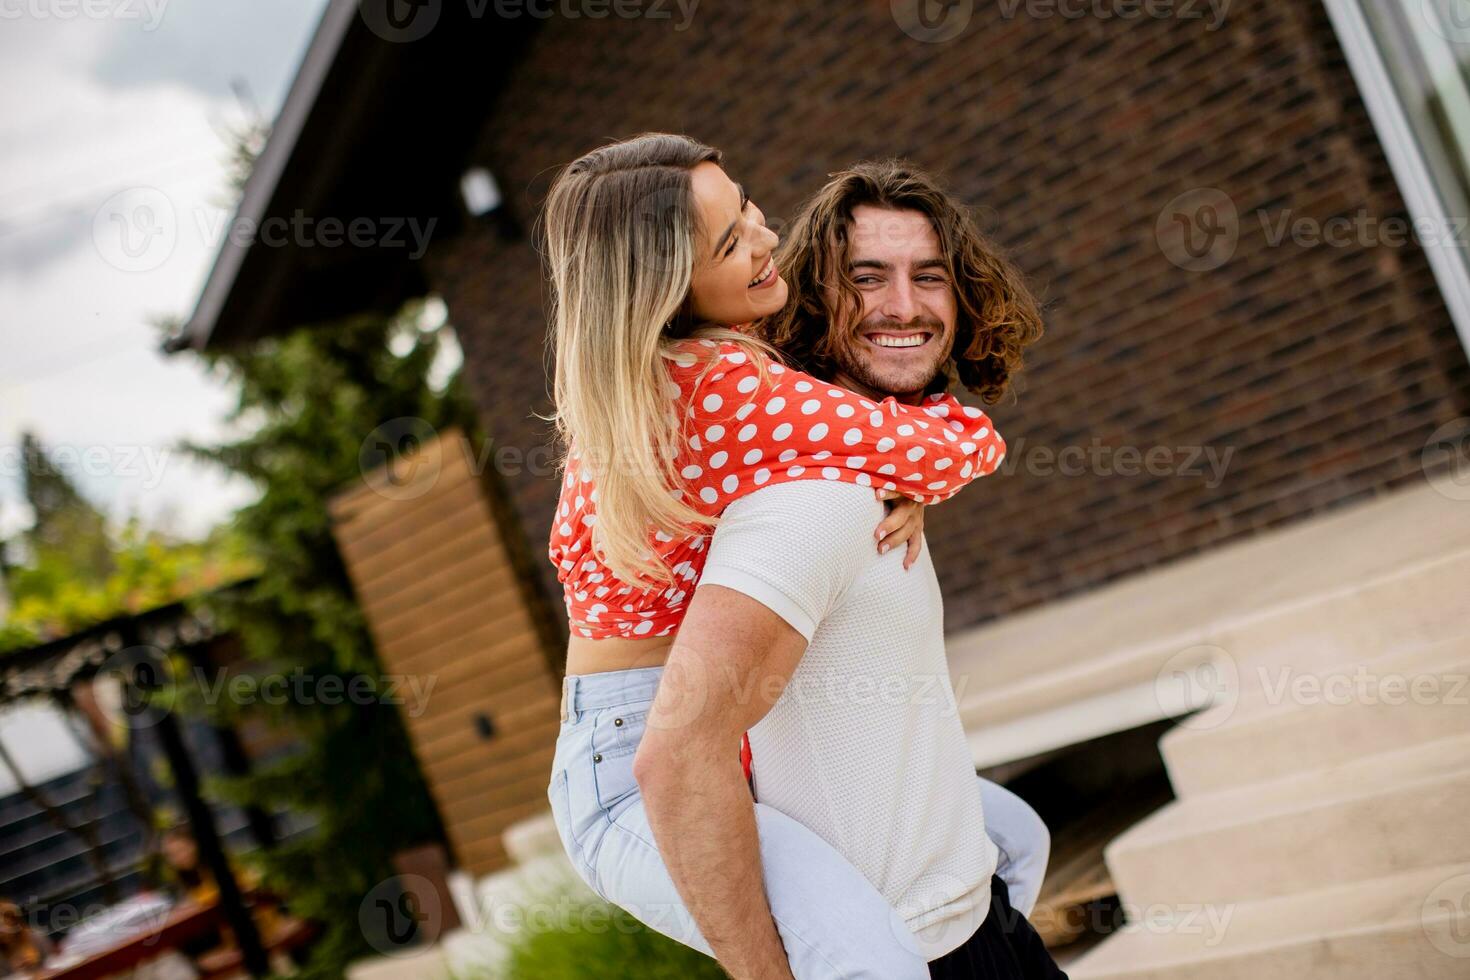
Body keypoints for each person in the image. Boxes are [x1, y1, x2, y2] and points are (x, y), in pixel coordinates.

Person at [543, 134, 1057, 978]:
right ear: (666, 289)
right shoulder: (719, 387)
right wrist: (900, 467)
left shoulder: (664, 375)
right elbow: (951, 446)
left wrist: (879, 468)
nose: (764, 238)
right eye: (730, 242)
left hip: (664, 726)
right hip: (637, 778)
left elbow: (832, 426)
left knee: (1008, 840)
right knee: (870, 955)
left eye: (746, 209)